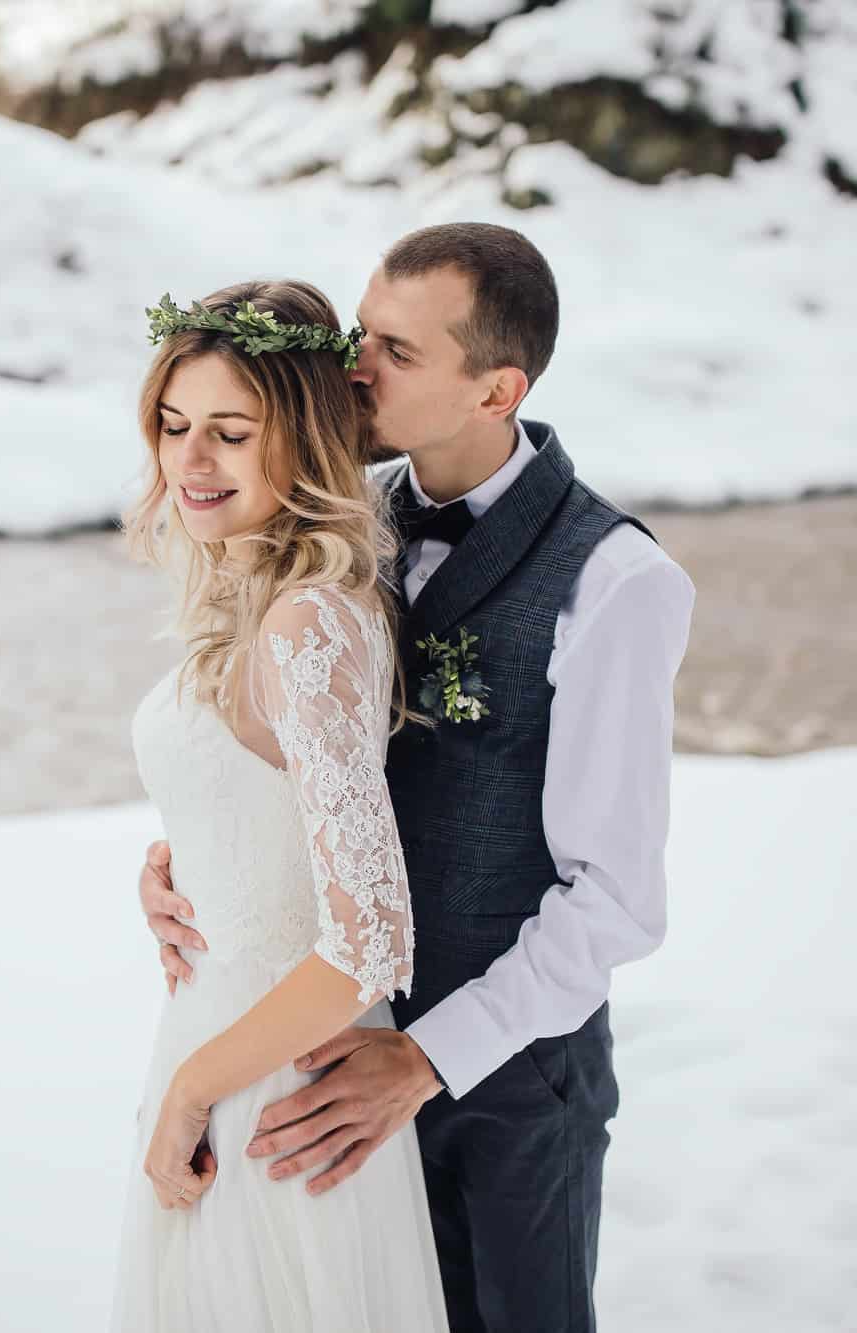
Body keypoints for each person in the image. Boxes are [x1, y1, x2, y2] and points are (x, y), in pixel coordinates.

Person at [136, 224, 697, 1332]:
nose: (352, 367)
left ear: (496, 387)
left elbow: (616, 900)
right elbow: (279, 756)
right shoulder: (331, 512)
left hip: (504, 1084)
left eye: (393, 350)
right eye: (359, 331)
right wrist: (187, 860)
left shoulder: (617, 581)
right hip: (307, 1055)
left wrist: (426, 1058)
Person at [108, 279, 451, 1331]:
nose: (189, 462)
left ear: (297, 440)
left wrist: (191, 1093)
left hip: (275, 1089)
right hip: (225, 1034)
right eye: (172, 426)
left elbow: (367, 940)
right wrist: (175, 862)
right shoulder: (254, 585)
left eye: (227, 432)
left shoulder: (305, 622)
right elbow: (261, 802)